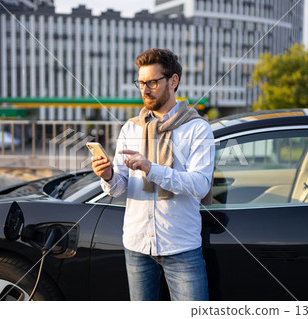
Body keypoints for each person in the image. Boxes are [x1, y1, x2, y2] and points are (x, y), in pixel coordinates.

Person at [91, 48, 215, 301]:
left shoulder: (197, 128)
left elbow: (200, 185)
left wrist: (151, 168)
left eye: (152, 82)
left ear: (173, 81)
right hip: (136, 245)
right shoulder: (130, 128)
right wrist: (107, 175)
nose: (145, 90)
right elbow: (119, 187)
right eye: (141, 83)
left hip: (180, 246)